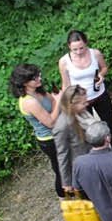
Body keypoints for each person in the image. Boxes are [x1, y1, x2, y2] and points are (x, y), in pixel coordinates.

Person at [58, 29, 112, 150]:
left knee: (110, 125)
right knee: (89, 130)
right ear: (69, 47)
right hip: (81, 101)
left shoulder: (95, 53)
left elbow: (104, 68)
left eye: (81, 48)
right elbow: (66, 84)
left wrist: (101, 75)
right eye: (74, 49)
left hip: (100, 95)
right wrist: (67, 104)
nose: (79, 52)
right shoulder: (64, 62)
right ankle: (98, 153)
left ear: (86, 43)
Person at [11, 64, 65, 197]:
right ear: (24, 83)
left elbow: (52, 101)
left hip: (59, 132)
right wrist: (59, 101)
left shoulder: (38, 90)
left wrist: (56, 102)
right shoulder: (29, 102)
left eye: (39, 75)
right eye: (34, 78)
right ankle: (63, 197)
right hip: (50, 140)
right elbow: (50, 122)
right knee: (61, 170)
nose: (39, 78)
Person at [52, 86, 98, 195]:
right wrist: (67, 182)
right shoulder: (62, 126)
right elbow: (62, 155)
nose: (87, 104)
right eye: (83, 103)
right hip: (84, 166)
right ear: (72, 105)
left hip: (94, 157)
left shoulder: (81, 113)